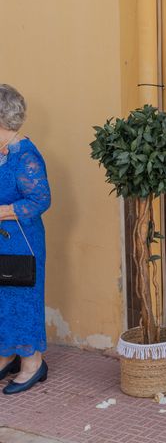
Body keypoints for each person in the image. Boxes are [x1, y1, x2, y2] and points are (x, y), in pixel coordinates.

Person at [0, 84, 52, 394]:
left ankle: (33, 362)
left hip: (22, 241)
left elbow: (40, 200)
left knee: (23, 298)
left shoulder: (26, 156)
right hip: (3, 238)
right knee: (2, 299)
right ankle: (7, 354)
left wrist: (3, 210)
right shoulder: (2, 151)